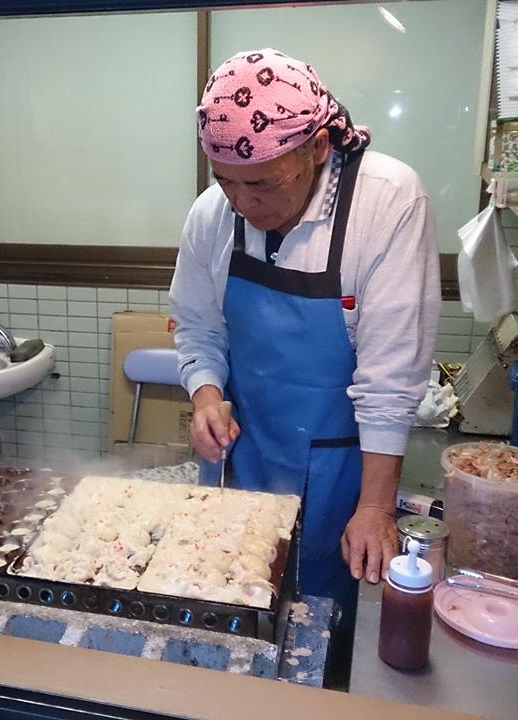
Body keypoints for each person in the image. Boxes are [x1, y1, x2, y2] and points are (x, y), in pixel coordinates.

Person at [169, 49, 440, 619]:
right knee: (233, 597)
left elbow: (391, 377)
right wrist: (207, 397)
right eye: (227, 183)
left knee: (322, 617)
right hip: (242, 455)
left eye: (263, 183)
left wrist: (375, 506)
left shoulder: (387, 201)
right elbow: (198, 326)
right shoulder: (211, 215)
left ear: (318, 147)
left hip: (344, 474)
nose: (244, 203)